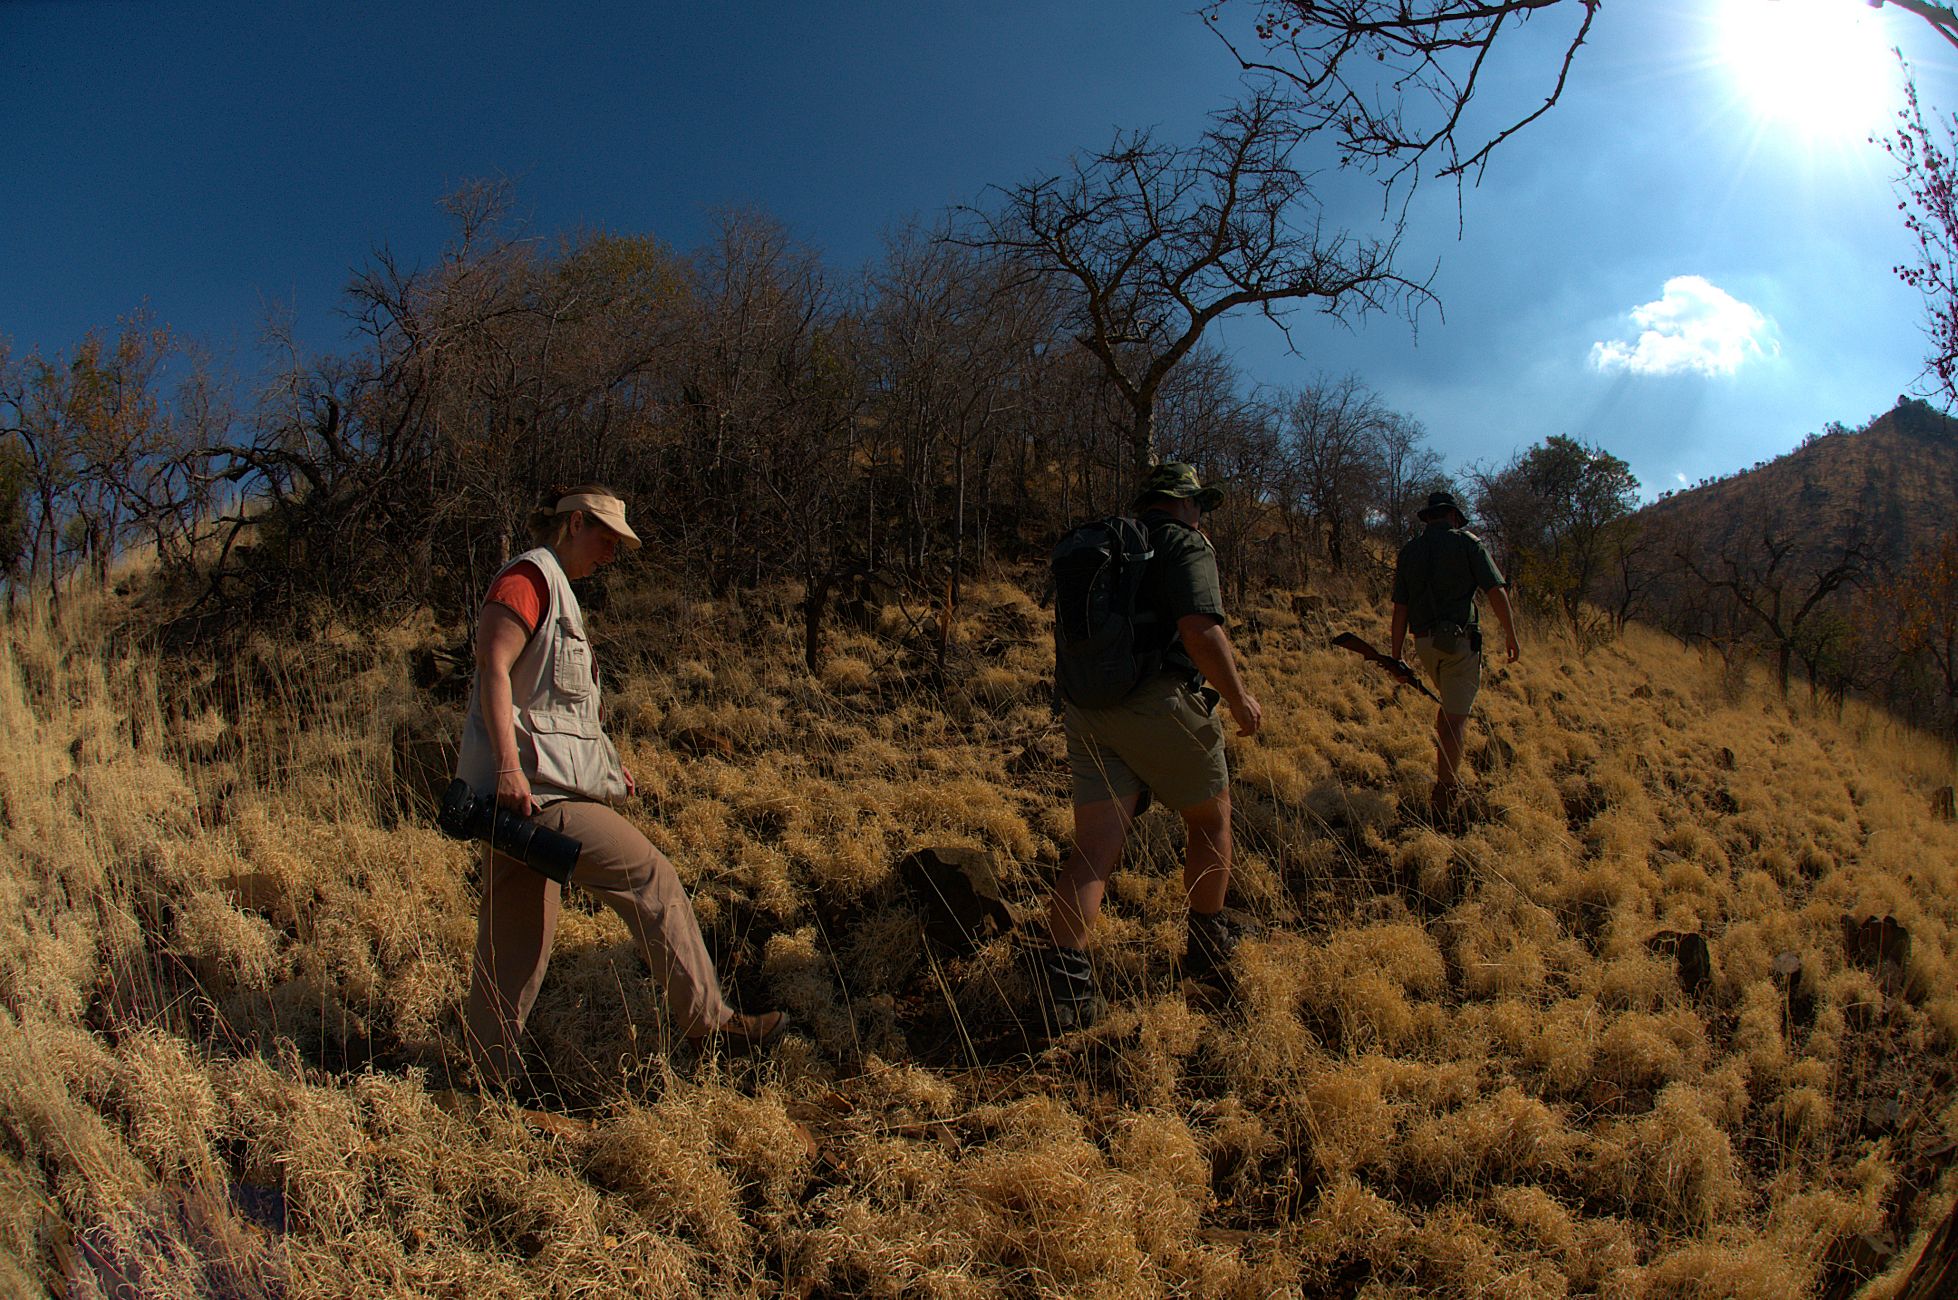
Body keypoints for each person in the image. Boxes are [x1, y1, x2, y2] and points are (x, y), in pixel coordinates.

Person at [458, 484, 785, 1090]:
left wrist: (608, 769)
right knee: (650, 876)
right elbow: (492, 669)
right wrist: (506, 767)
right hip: (530, 796)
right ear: (575, 524)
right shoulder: (530, 579)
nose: (611, 554)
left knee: (515, 943)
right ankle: (711, 1025)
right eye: (606, 539)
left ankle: (483, 1078)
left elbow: (557, 711)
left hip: (524, 797)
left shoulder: (556, 590)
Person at [1039, 463, 1264, 1033]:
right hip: (1157, 703)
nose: (1201, 514)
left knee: (1094, 848)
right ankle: (1208, 945)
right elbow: (1200, 631)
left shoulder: (1113, 547)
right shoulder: (1184, 542)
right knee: (1210, 820)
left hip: (1088, 708)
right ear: (1184, 502)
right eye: (1199, 504)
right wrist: (1238, 700)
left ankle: (1066, 992)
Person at [1389, 490, 1521, 825]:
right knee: (1455, 721)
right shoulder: (1468, 544)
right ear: (1452, 516)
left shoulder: (1409, 552)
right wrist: (1510, 634)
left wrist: (1396, 656)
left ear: (1428, 518)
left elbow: (1400, 609)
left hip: (1424, 644)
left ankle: (1445, 775)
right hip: (1459, 644)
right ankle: (1445, 793)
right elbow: (1496, 590)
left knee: (1447, 710)